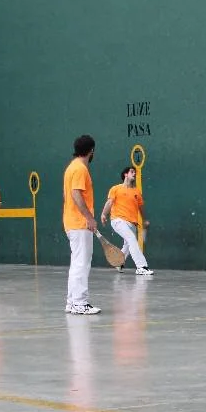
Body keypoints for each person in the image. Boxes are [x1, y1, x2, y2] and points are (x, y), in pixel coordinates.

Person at [63, 135, 101, 315]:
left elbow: (66, 196)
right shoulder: (80, 169)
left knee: (76, 263)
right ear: (91, 150)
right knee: (81, 264)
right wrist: (89, 218)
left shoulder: (71, 167)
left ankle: (72, 302)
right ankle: (79, 303)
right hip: (79, 223)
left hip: (71, 222)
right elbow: (76, 194)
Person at [100, 166, 153, 275]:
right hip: (118, 220)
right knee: (131, 239)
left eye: (135, 172)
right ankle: (141, 267)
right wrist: (104, 214)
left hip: (132, 223)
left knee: (128, 244)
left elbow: (141, 208)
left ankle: (119, 263)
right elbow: (109, 202)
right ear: (125, 174)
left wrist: (144, 221)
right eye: (132, 172)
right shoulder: (116, 189)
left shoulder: (136, 192)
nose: (134, 174)